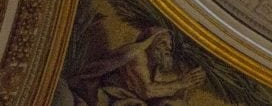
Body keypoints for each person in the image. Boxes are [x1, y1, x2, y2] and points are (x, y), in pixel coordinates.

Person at [69, 27, 204, 105]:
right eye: (163, 43)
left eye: (170, 46)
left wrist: (186, 86)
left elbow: (162, 95)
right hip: (105, 98)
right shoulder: (136, 55)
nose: (168, 48)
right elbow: (147, 91)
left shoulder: (155, 70)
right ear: (149, 42)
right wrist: (181, 83)